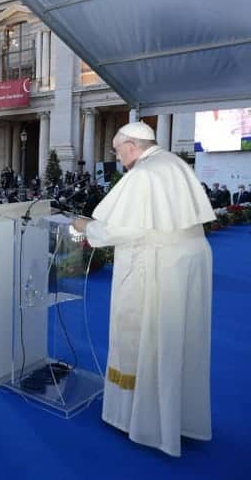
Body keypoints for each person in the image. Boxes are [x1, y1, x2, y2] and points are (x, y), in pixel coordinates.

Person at [72, 121, 215, 457]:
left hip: (159, 264)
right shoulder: (174, 163)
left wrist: (85, 226)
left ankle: (144, 421)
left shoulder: (143, 173)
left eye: (118, 151)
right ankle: (177, 417)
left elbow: (122, 229)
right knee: (179, 340)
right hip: (189, 260)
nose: (118, 158)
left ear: (132, 146)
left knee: (148, 337)